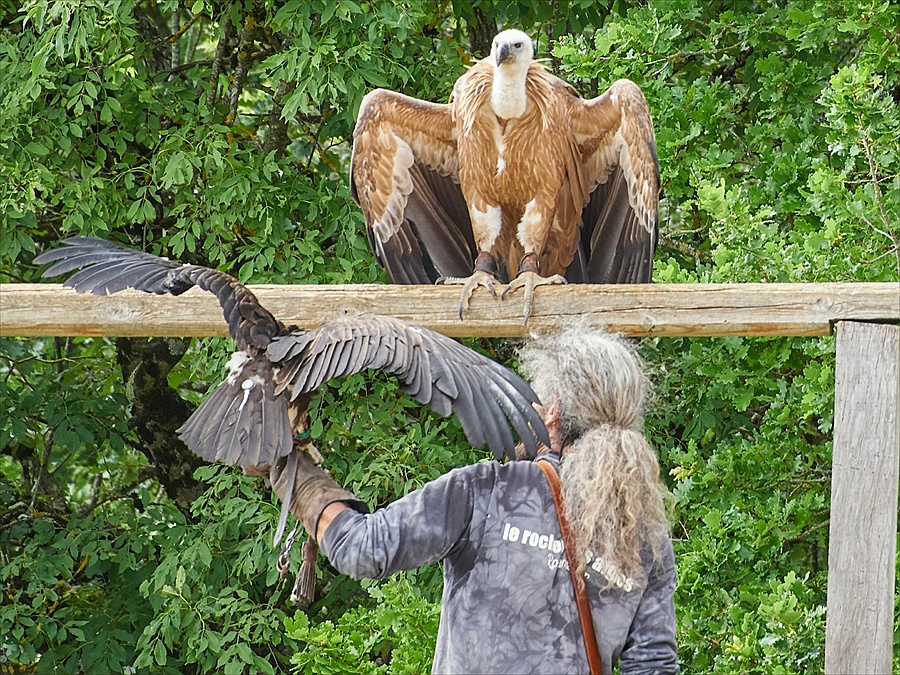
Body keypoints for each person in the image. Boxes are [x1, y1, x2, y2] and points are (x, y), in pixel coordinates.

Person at [265, 326, 677, 674]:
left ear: (550, 412)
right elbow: (654, 665)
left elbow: (362, 549)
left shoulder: (486, 491)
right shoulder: (645, 537)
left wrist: (289, 469)